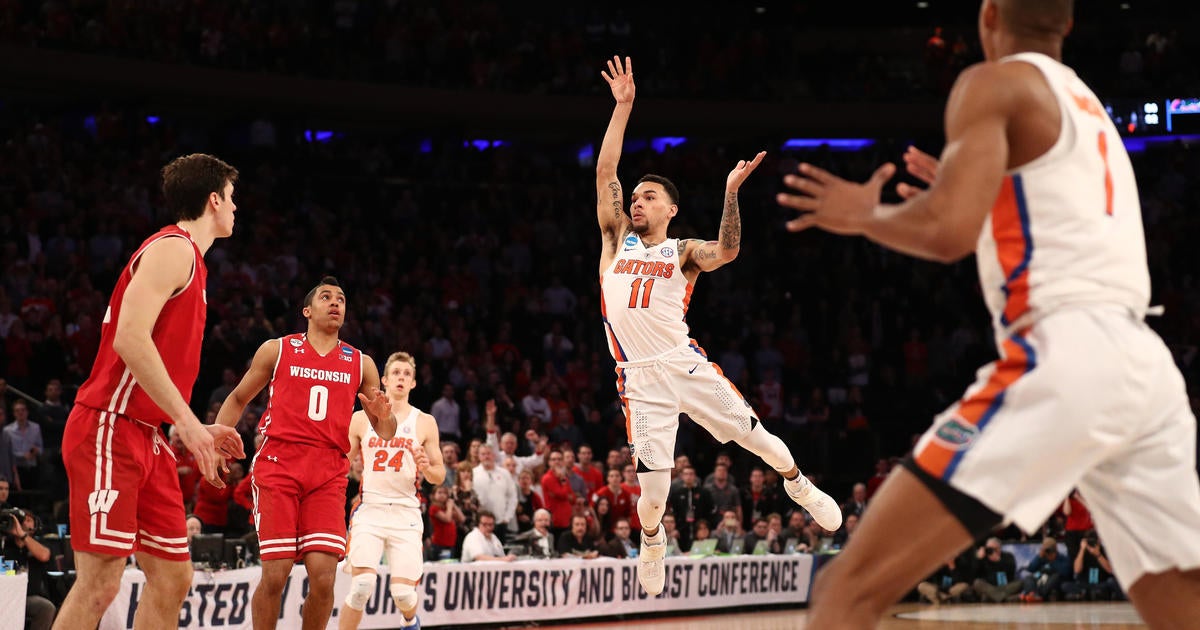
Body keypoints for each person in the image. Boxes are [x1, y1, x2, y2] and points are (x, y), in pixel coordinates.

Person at [775, 1, 1200, 627]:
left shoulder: (990, 82)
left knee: (847, 589)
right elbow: (1044, 232)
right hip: (1146, 370)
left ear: (988, 15)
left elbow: (947, 229)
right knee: (1183, 603)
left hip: (1066, 359)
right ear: (1068, 24)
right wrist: (972, 203)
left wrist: (866, 214)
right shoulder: (1090, 107)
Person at [594, 55, 840, 597]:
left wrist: (730, 192)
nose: (635, 199)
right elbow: (606, 171)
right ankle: (653, 539)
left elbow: (728, 250)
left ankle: (799, 485)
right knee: (651, 499)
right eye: (634, 196)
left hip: (684, 365)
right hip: (637, 378)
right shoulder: (616, 242)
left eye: (648, 196)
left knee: (762, 444)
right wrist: (624, 108)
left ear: (671, 209)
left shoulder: (682, 252)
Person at [54, 154, 246, 629]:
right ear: (214, 200)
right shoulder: (172, 249)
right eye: (233, 197)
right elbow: (129, 337)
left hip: (147, 433)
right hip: (108, 424)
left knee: (173, 577)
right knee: (100, 583)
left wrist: (191, 423)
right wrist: (188, 423)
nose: (237, 208)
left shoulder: (193, 263)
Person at [215, 276, 396, 630]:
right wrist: (219, 441)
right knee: (276, 574)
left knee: (325, 577)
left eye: (341, 299)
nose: (335, 303)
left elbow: (385, 432)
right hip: (280, 462)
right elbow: (238, 398)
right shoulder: (278, 349)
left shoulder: (362, 362)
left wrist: (383, 416)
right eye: (326, 297)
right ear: (307, 311)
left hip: (328, 470)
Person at [341, 352, 444, 630]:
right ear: (384, 380)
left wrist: (426, 466)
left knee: (403, 594)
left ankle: (410, 620)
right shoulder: (361, 419)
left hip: (405, 511)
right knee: (361, 587)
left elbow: (438, 475)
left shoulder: (424, 422)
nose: (401, 377)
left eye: (406, 374)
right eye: (396, 373)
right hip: (371, 508)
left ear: (413, 383)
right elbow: (341, 463)